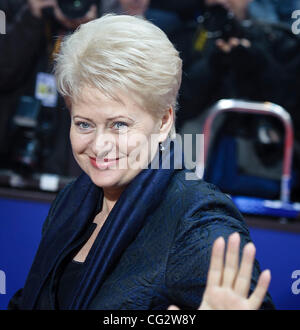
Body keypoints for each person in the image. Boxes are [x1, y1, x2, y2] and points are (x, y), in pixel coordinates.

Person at [8, 14, 274, 310]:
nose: (99, 145)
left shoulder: (198, 222)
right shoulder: (72, 200)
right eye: (84, 124)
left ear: (163, 121)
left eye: (119, 125)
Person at [0, 0, 99, 176]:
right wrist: (32, 16)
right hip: (12, 143)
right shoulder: (10, 8)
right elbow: (4, 71)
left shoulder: (102, 10)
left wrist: (90, 30)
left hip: (70, 158)